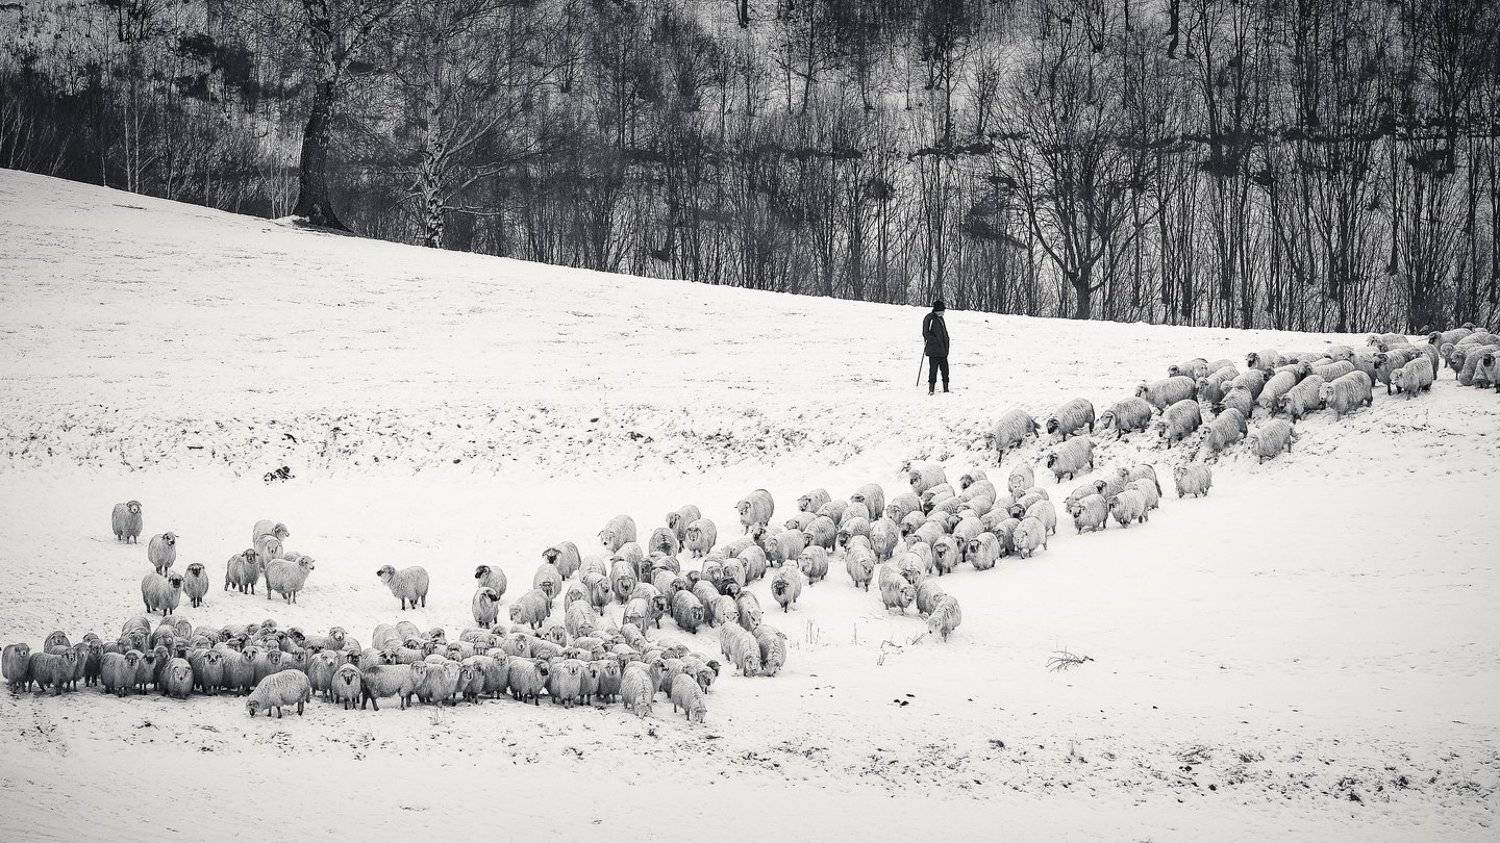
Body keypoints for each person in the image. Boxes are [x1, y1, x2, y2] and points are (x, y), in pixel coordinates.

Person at [922, 299, 950, 394]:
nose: (944, 312)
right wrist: (936, 341)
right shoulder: (929, 318)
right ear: (938, 310)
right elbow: (926, 333)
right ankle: (931, 389)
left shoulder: (940, 319)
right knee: (933, 370)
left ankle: (946, 389)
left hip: (943, 350)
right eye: (942, 310)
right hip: (934, 350)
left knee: (945, 370)